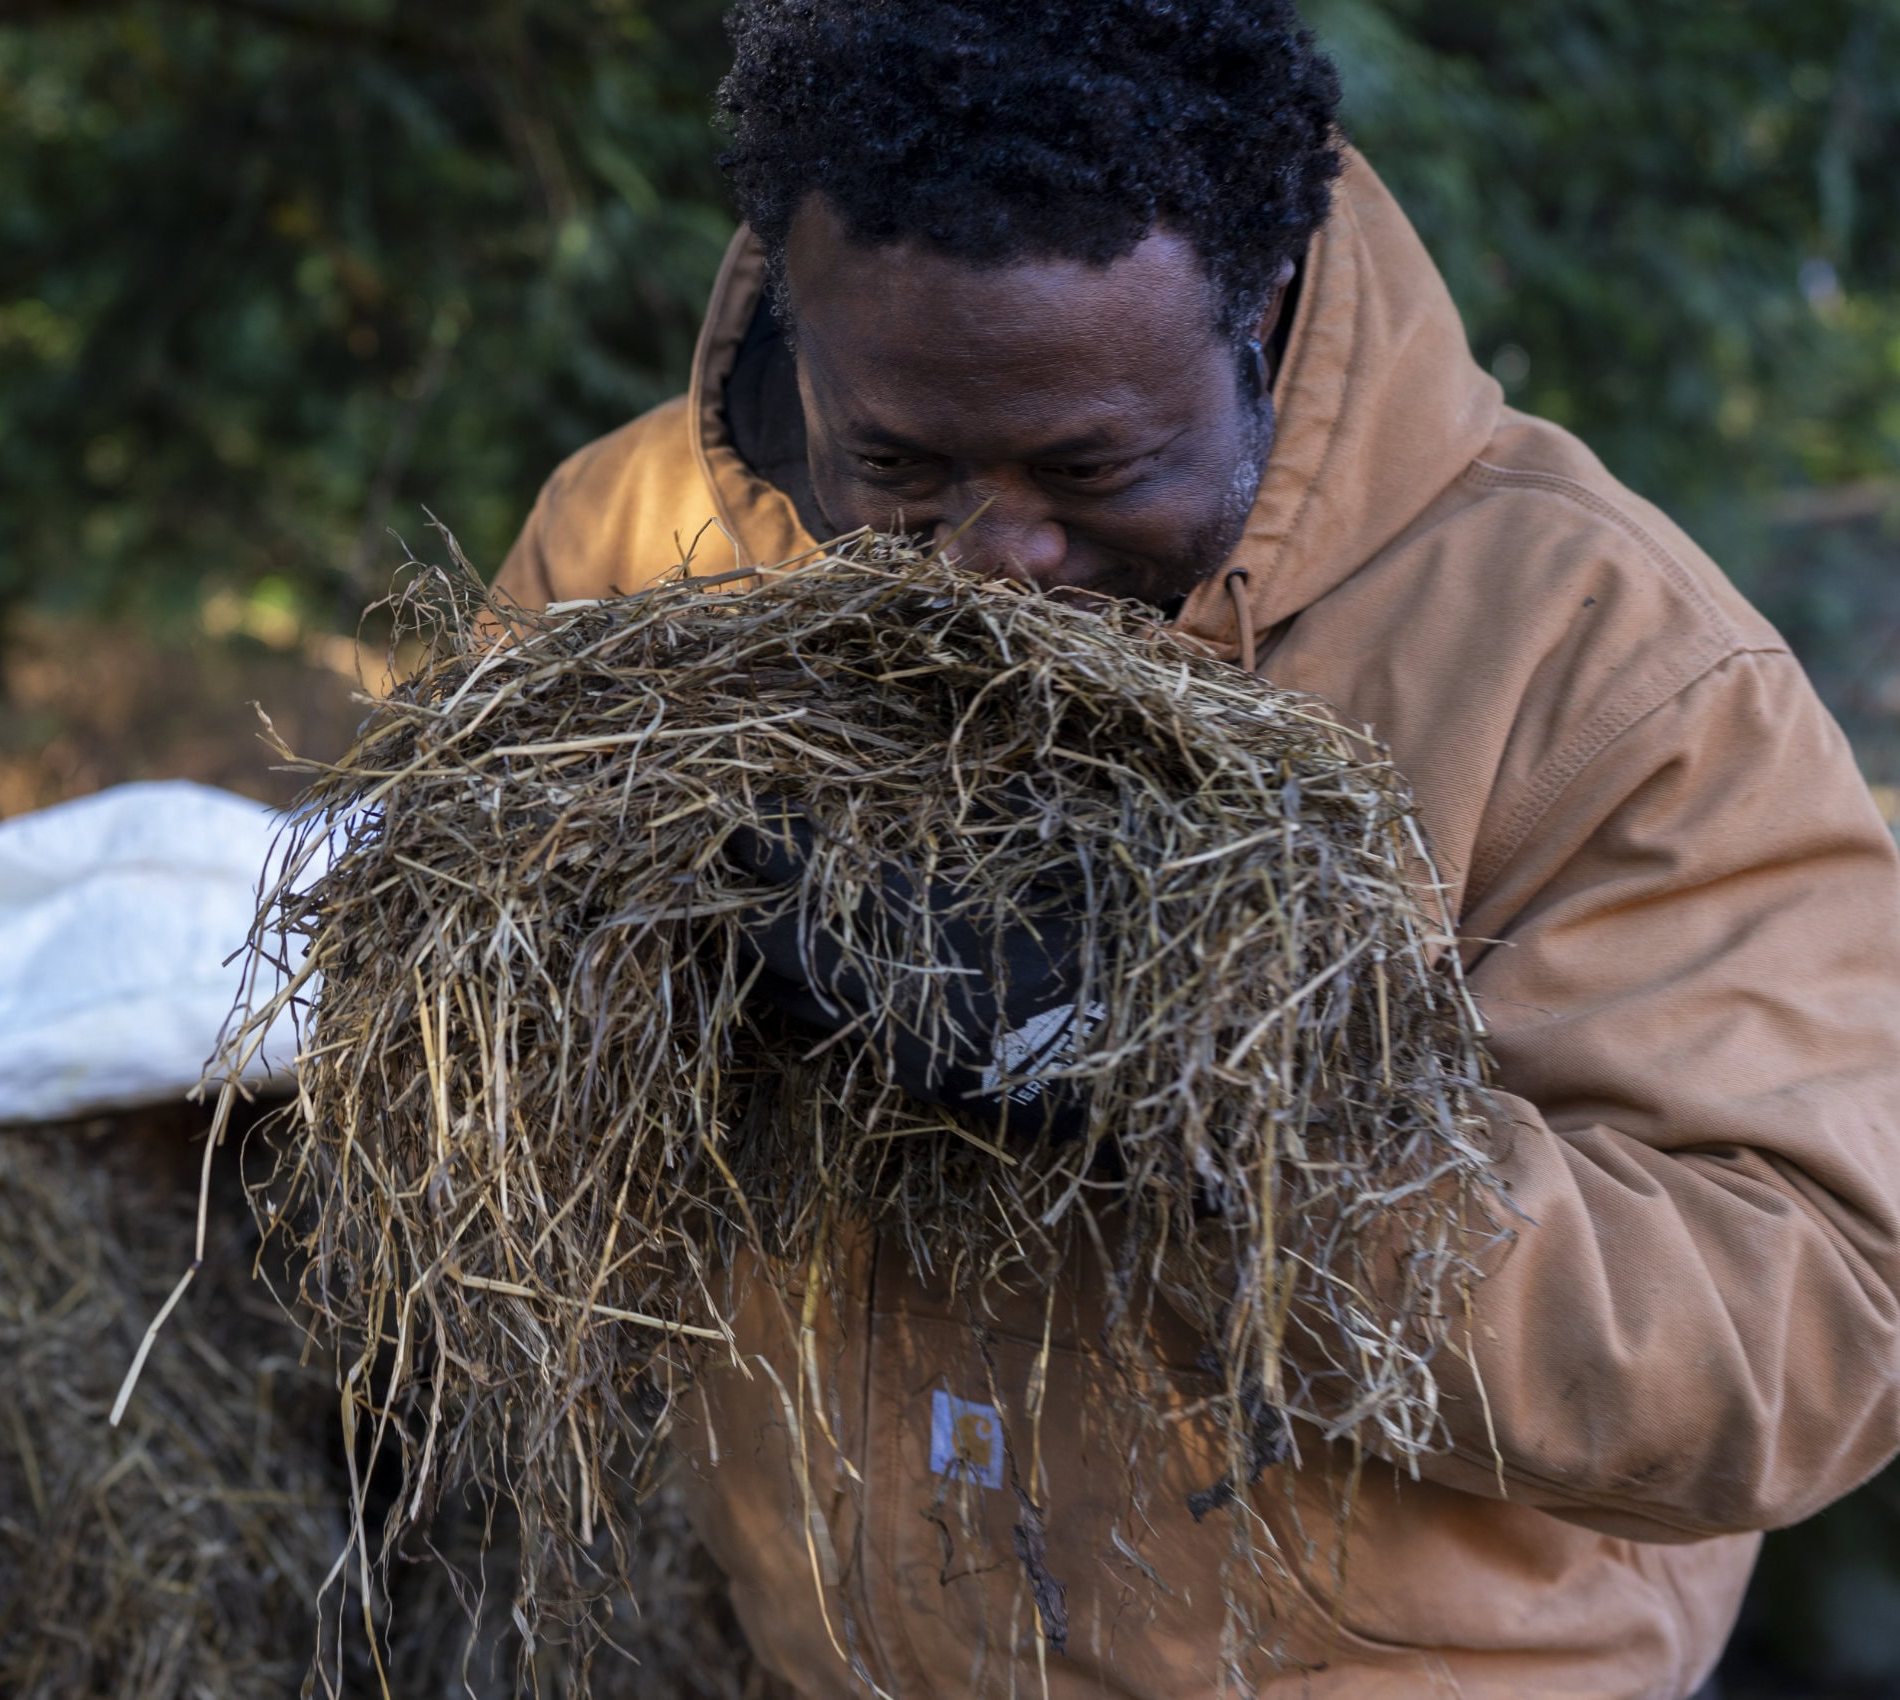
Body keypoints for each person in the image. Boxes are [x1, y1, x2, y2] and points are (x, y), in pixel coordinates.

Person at [489, 2, 1900, 1696]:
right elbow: (468, 1063)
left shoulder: (1597, 659)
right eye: (900, 464)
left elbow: (1804, 1337)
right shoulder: (645, 543)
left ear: (1258, 316)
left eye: (1096, 465)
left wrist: (1182, 1076)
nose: (998, 554)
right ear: (806, 337)